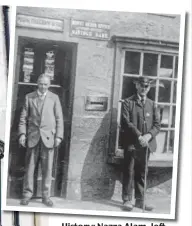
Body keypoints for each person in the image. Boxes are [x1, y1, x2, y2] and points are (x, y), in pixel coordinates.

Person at [18, 73, 64, 207]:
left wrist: (59, 137)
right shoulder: (29, 97)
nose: (43, 87)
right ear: (37, 84)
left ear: (49, 85)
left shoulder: (54, 98)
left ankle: (46, 196)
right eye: (41, 84)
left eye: (45, 84)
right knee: (30, 169)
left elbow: (59, 119)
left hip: (48, 138)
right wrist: (22, 134)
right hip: (32, 137)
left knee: (47, 169)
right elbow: (23, 118)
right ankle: (27, 195)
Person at [121, 76, 161, 211]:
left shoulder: (152, 104)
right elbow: (127, 122)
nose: (144, 89)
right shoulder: (128, 102)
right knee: (129, 170)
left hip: (146, 144)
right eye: (142, 86)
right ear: (137, 85)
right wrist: (139, 136)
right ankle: (126, 200)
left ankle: (140, 200)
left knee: (142, 172)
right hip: (132, 144)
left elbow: (157, 125)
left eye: (147, 86)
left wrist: (148, 136)